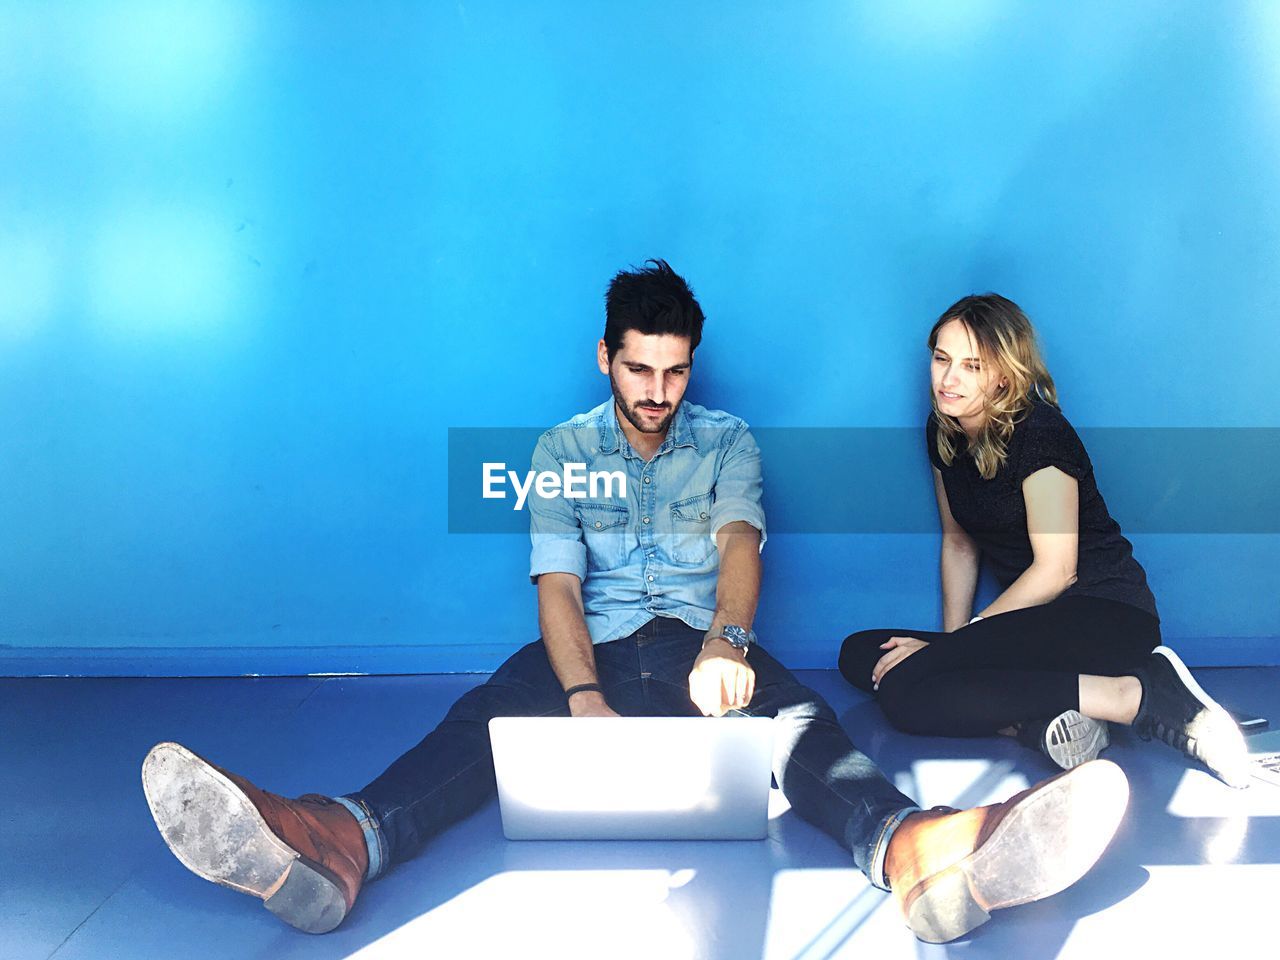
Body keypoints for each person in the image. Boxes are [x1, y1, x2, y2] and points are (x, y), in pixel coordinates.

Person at [143, 264, 1130, 946]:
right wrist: (577, 696)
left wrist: (727, 641)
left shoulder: (727, 441)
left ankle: (925, 852)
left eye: (675, 369)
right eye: (638, 367)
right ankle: (337, 843)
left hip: (704, 643)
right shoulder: (559, 453)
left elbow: (739, 544)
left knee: (804, 730)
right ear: (603, 356)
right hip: (598, 646)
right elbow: (559, 586)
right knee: (479, 720)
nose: (657, 391)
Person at [838, 294, 1250, 787]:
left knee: (905, 690)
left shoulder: (1039, 433)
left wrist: (956, 649)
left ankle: (1137, 696)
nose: (949, 380)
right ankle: (1042, 720)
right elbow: (960, 543)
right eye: (942, 359)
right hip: (1032, 624)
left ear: (1004, 376)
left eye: (972, 366)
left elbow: (1058, 570)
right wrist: (950, 646)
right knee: (861, 653)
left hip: (1104, 617)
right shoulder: (944, 430)